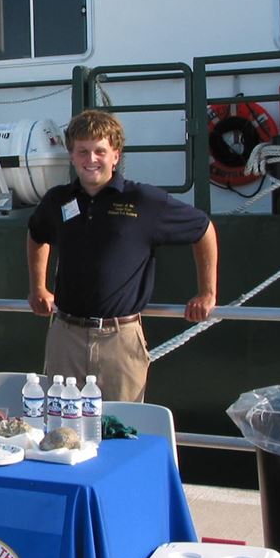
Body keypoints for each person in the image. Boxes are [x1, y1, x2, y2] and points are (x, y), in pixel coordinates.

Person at [26, 109, 218, 402]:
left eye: (100, 151)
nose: (91, 160)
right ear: (72, 156)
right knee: (61, 432)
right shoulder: (57, 200)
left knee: (122, 430)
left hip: (120, 339)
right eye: (83, 151)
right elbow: (37, 235)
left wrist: (207, 293)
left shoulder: (143, 201)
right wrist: (38, 287)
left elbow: (203, 229)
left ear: (115, 155)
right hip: (66, 336)